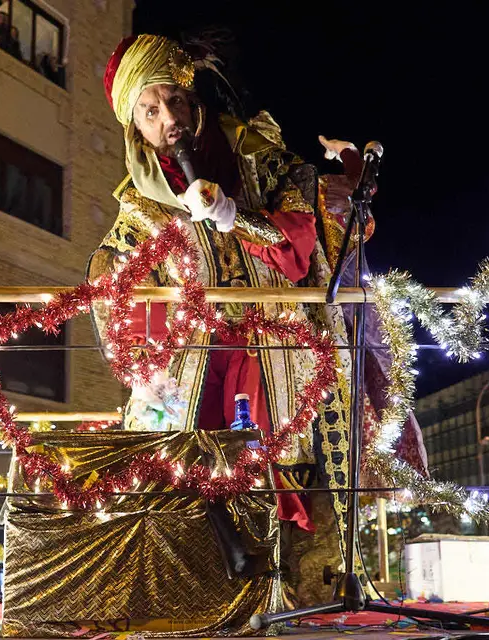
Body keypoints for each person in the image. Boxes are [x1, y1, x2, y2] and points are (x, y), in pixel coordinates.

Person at [86, 34, 426, 598]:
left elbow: (297, 248)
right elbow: (115, 287)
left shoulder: (263, 157)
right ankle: (212, 587)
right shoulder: (139, 203)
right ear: (135, 126)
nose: (168, 118)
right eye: (150, 110)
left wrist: (230, 214)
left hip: (284, 345)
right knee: (187, 459)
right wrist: (147, 362)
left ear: (194, 99)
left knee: (290, 461)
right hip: (196, 357)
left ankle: (308, 588)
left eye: (174, 100)